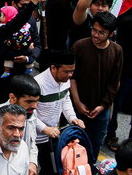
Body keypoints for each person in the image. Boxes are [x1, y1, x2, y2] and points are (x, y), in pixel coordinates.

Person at [71, 11, 124, 161]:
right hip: (78, 108)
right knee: (73, 148)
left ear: (111, 34)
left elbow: (115, 82)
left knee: (93, 148)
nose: (96, 35)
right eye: (94, 30)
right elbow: (72, 77)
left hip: (101, 110)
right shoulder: (79, 46)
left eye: (102, 33)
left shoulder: (117, 51)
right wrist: (77, 103)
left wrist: (103, 106)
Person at [33, 50, 85, 175]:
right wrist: (44, 128)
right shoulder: (38, 84)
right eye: (66, 71)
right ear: (53, 68)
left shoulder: (65, 80)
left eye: (72, 71)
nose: (70, 75)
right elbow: (28, 112)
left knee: (50, 169)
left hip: (52, 136)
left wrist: (72, 118)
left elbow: (65, 99)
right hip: (34, 138)